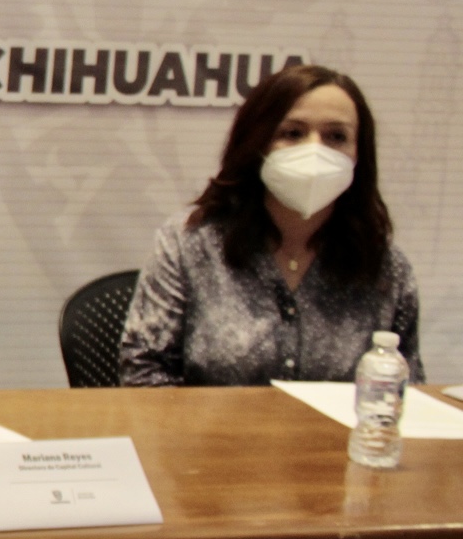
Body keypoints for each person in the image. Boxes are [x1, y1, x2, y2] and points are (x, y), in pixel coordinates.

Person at [119, 63, 419, 387]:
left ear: (359, 154)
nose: (314, 150)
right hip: (207, 423)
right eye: (293, 133)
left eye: (336, 136)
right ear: (257, 143)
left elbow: (405, 391)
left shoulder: (386, 268)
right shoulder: (189, 244)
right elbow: (142, 374)